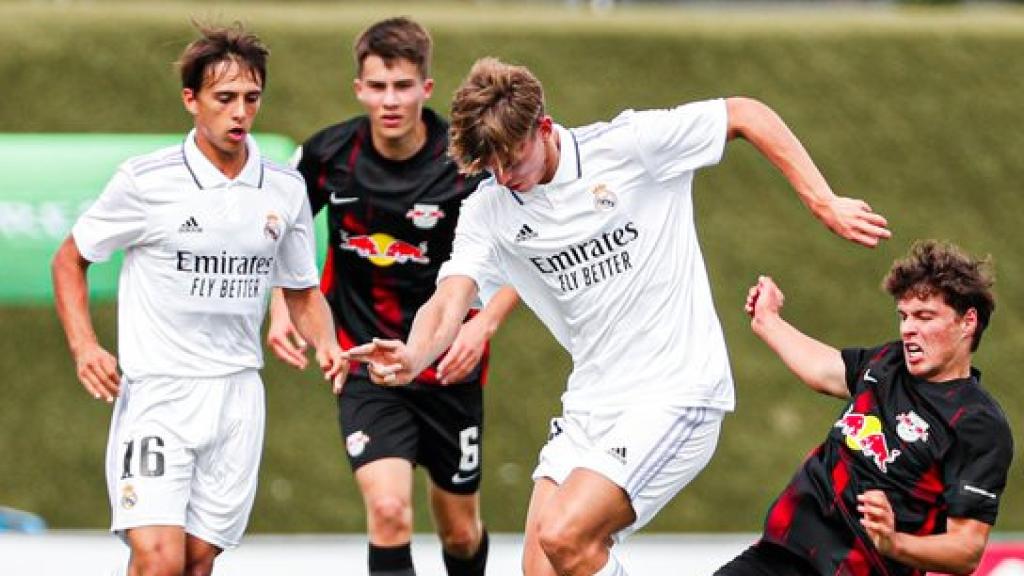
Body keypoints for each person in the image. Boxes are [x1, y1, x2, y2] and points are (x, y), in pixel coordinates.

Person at [349, 56, 892, 576]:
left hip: (676, 391)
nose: (502, 175)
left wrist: (823, 201)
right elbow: (450, 300)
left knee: (566, 536)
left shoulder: (629, 147)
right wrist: (414, 352)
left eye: (510, 159)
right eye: (487, 166)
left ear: (544, 126)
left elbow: (744, 113)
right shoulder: (489, 209)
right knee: (541, 565)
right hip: (591, 404)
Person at [51, 24, 348, 576]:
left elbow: (302, 292)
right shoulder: (146, 182)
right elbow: (70, 259)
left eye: (251, 98)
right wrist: (84, 346)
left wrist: (328, 345)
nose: (240, 113)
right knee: (158, 557)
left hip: (236, 398)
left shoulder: (284, 189)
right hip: (159, 394)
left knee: (193, 561)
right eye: (225, 98)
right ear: (191, 100)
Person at [267, 18, 516, 576]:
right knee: (388, 510)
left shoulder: (466, 166)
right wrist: (280, 308)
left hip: (448, 368)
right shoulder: (327, 156)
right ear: (359, 88)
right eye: (377, 86)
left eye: (403, 86)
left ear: (426, 89)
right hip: (367, 364)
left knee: (458, 530)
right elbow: (283, 236)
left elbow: (522, 251)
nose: (390, 100)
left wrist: (483, 325)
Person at [716, 240, 1013, 576]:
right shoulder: (888, 363)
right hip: (782, 556)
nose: (908, 329)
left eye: (924, 316)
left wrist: (894, 542)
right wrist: (767, 320)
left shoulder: (978, 423)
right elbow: (825, 370)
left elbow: (966, 550)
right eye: (904, 316)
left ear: (968, 321)